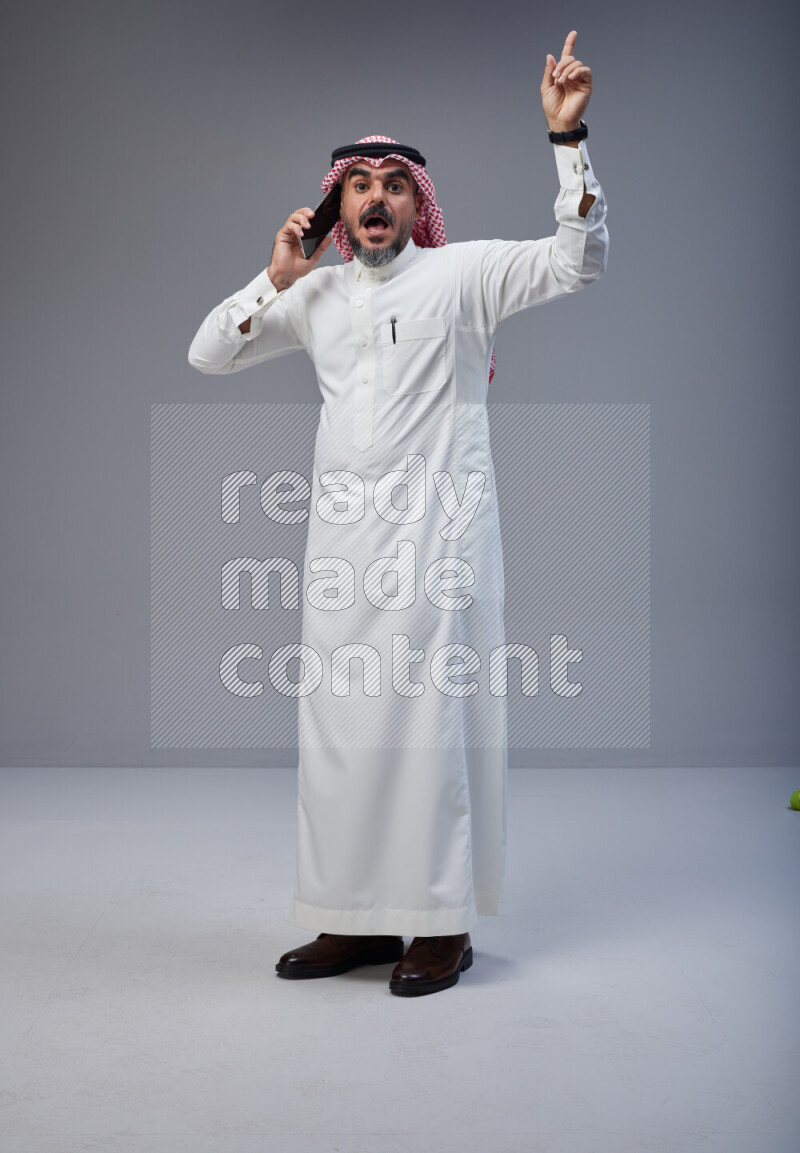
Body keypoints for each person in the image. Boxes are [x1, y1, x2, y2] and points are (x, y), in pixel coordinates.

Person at [188, 30, 608, 997]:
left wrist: (567, 140)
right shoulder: (317, 292)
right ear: (338, 202)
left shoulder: (463, 275)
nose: (376, 198)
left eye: (394, 185)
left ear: (419, 205)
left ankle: (439, 926)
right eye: (359, 185)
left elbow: (579, 260)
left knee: (428, 729)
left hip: (438, 541)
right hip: (340, 547)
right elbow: (210, 351)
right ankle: (352, 916)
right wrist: (274, 279)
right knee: (340, 727)